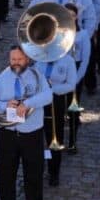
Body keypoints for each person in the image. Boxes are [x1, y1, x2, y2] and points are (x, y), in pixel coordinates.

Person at [0, 45, 52, 200]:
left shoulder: (37, 75)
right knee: (6, 171)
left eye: (19, 59)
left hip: (32, 133)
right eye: (13, 59)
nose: (16, 63)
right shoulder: (1, 78)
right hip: (8, 133)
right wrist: (4, 105)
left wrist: (28, 103)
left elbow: (48, 96)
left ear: (27, 59)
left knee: (34, 171)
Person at [33, 45, 77, 187]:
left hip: (55, 101)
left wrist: (52, 89)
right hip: (38, 100)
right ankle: (36, 169)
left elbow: (71, 84)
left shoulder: (68, 61)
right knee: (35, 136)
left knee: (55, 138)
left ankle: (54, 172)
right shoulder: (39, 58)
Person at [65, 3, 91, 153]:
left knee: (73, 108)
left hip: (76, 70)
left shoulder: (82, 35)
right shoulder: (57, 32)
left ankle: (72, 141)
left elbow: (86, 59)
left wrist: (77, 78)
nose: (70, 18)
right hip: (61, 71)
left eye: (73, 15)